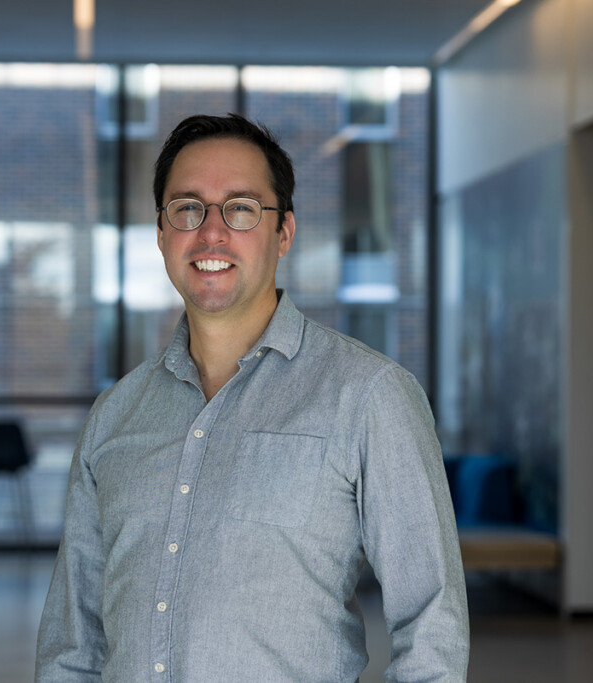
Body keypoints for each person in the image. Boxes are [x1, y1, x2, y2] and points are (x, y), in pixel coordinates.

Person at [35, 113, 469, 682]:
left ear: (284, 232)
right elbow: (74, 643)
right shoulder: (115, 415)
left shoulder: (368, 396)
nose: (211, 233)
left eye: (240, 208)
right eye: (187, 208)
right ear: (162, 232)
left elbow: (431, 623)